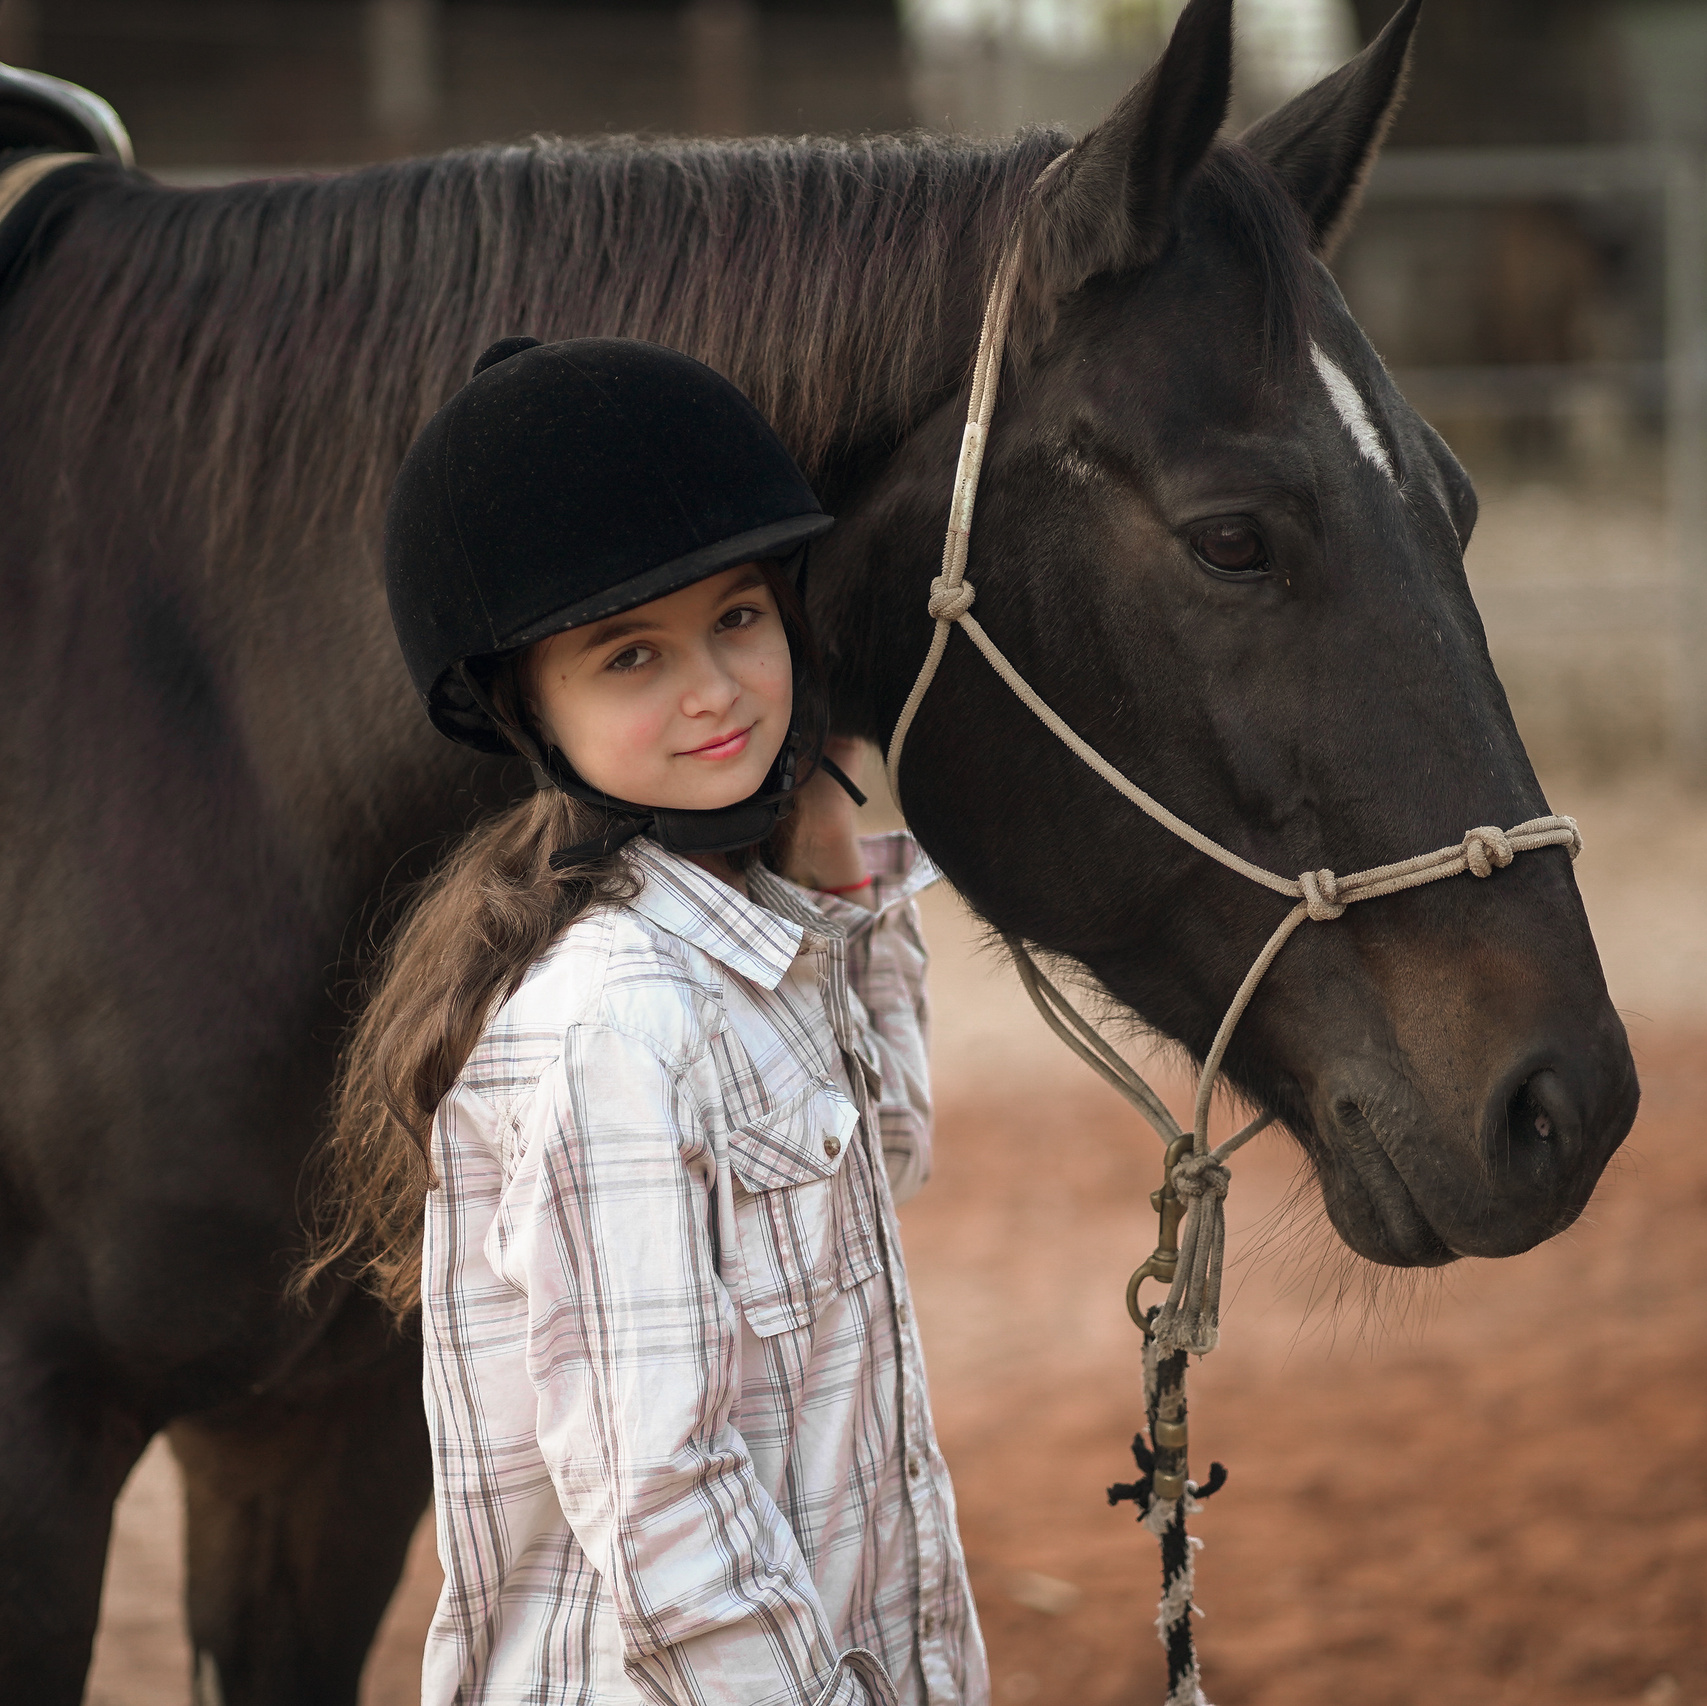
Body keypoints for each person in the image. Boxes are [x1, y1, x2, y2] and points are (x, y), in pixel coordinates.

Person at [303, 336, 987, 1706]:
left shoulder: (754, 952)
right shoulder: (614, 1026)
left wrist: (846, 883)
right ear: (527, 709)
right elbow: (666, 1505)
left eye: (738, 617)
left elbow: (889, 1152)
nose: (715, 689)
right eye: (631, 656)